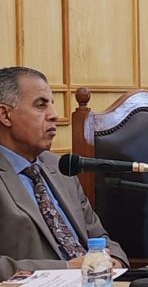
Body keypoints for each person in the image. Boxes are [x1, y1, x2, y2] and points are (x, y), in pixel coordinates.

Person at [0, 67, 128, 281]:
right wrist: (66, 267)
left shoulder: (61, 167)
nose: (54, 115)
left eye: (52, 104)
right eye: (41, 105)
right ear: (5, 115)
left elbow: (100, 237)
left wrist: (113, 259)